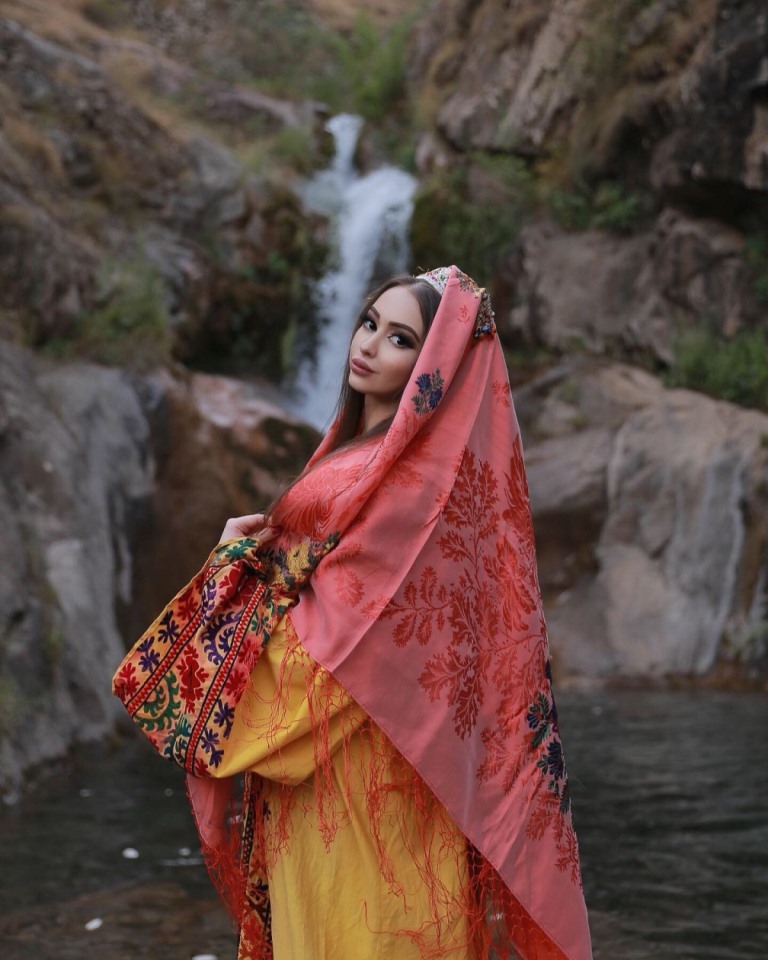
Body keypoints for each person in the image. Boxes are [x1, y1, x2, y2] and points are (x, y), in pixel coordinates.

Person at [113, 266, 592, 960]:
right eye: (370, 322)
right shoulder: (358, 456)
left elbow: (342, 643)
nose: (368, 345)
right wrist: (237, 565)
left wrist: (229, 577)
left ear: (435, 365)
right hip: (335, 778)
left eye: (400, 339)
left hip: (364, 771)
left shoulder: (414, 488)